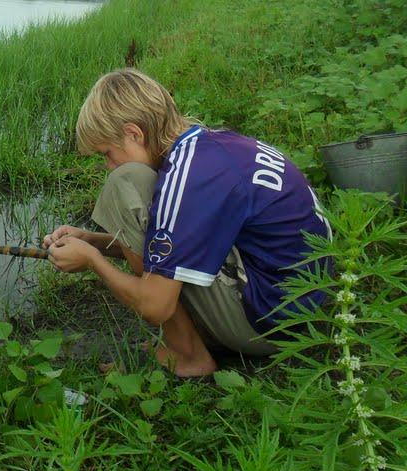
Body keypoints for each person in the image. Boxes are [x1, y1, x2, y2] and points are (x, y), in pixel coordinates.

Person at [43, 69, 330, 377]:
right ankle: (200, 336)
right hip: (305, 309)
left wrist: (92, 260)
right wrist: (93, 241)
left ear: (134, 134)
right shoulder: (212, 147)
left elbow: (155, 307)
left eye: (108, 153)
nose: (108, 165)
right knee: (138, 197)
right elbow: (186, 235)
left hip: (271, 326)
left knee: (125, 183)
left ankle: (187, 353)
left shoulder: (190, 179)